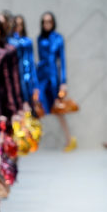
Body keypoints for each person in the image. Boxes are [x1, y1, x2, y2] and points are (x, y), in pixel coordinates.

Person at [35, 12, 75, 151]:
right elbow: (40, 58)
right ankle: (32, 139)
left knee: (58, 109)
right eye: (44, 21)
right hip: (41, 75)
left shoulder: (58, 38)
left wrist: (63, 81)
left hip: (53, 77)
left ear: (53, 22)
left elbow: (62, 61)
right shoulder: (39, 38)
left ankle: (69, 139)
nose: (47, 24)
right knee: (39, 106)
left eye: (49, 21)